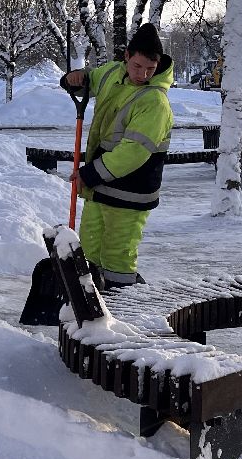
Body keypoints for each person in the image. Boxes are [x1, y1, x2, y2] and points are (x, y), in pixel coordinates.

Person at [59, 23, 174, 288]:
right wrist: (75, 79)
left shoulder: (154, 101)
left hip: (131, 190)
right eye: (137, 66)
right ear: (126, 57)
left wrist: (90, 173)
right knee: (89, 248)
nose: (142, 74)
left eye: (150, 69)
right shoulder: (113, 72)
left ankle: (122, 309)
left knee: (117, 254)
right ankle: (92, 305)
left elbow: (133, 152)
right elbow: (90, 80)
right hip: (101, 185)